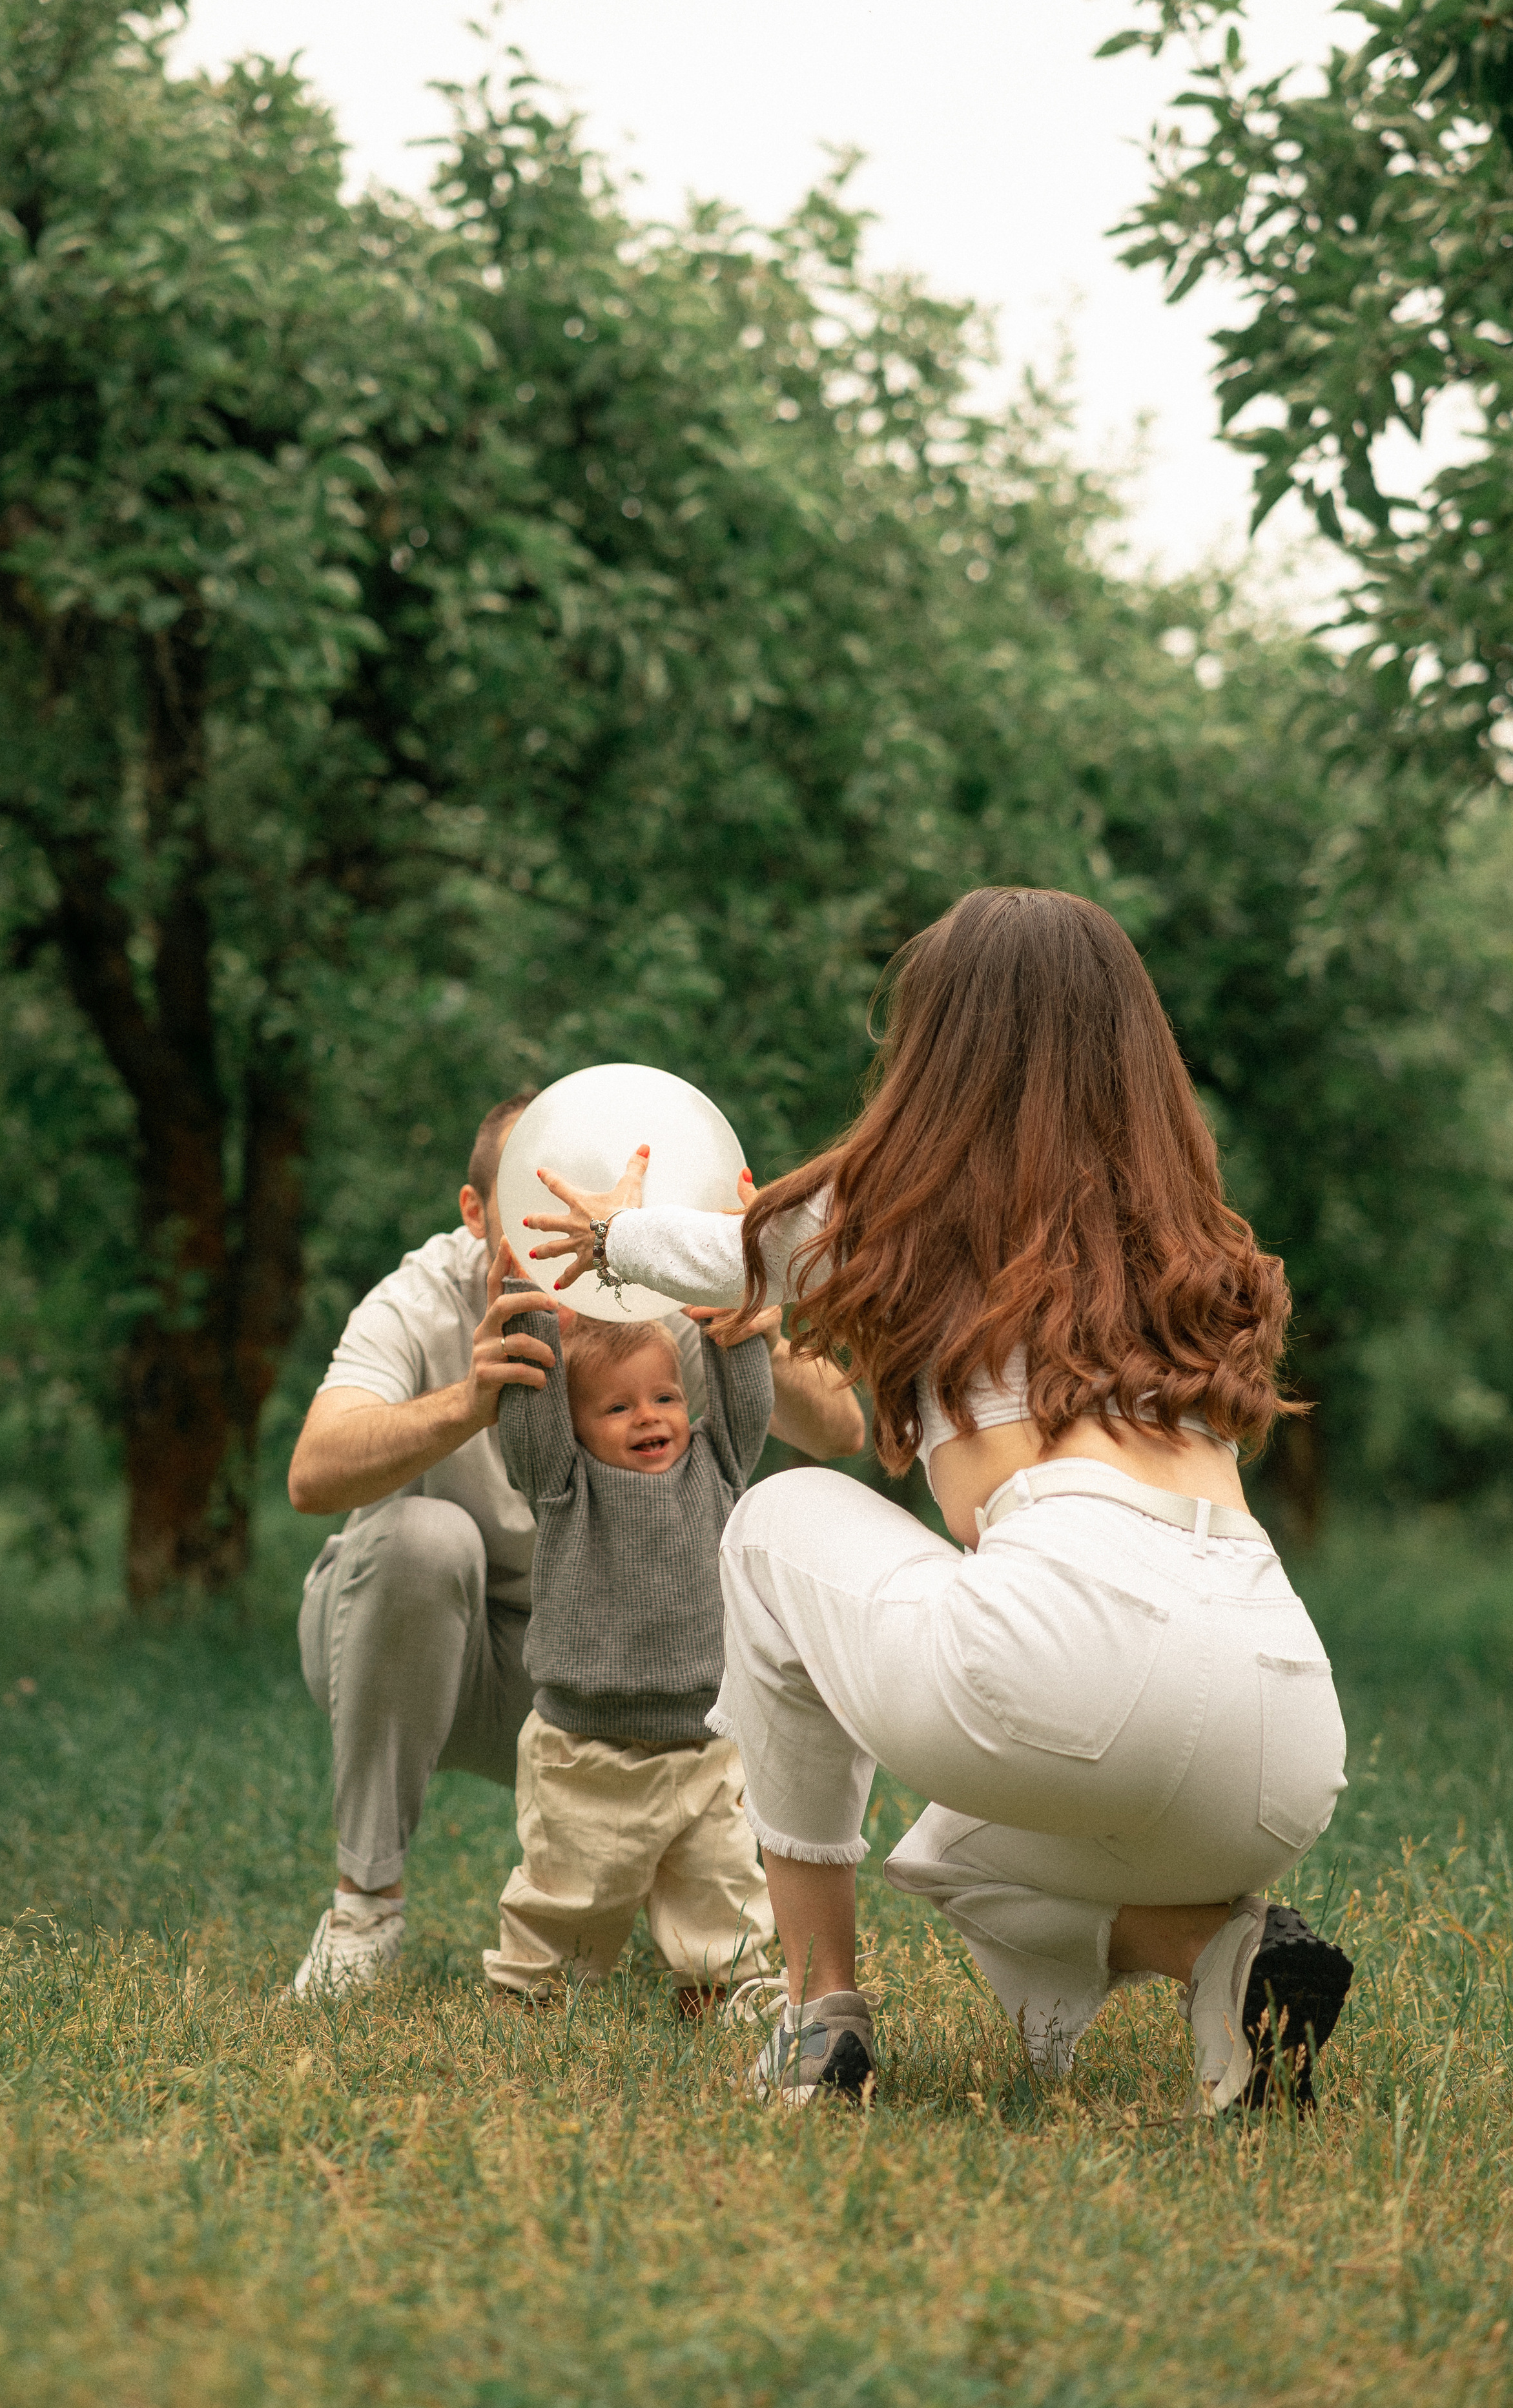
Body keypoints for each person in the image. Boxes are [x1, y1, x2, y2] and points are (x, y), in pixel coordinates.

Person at [522, 889, 1354, 2113]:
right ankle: (1222, 1960)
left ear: (941, 1053)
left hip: (1071, 1666)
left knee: (772, 1526)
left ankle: (820, 2020)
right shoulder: (1184, 1240)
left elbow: (724, 1246)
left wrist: (612, 1233)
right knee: (951, 1851)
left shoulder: (907, 1208)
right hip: (1283, 1738)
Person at [285, 1092, 865, 1998]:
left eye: (575, 1196)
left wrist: (754, 1322)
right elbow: (313, 1475)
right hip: (443, 1656)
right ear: (477, 1211)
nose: (557, 1225)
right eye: (527, 1197)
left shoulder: (639, 1287)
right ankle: (365, 1907)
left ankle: (680, 1915)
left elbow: (840, 1432)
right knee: (420, 1539)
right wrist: (469, 1403)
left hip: (629, 1661)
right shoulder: (423, 1294)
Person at [482, 1287, 777, 2008]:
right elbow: (528, 1420)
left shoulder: (717, 1465)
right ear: (574, 1427)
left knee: (723, 1885)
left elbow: (745, 1398)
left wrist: (723, 1304)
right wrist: (531, 1311)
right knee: (569, 1890)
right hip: (587, 1751)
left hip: (705, 1742)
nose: (649, 1417)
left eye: (666, 1398)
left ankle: (721, 1989)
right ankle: (535, 1992)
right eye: (616, 1408)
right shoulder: (563, 1484)